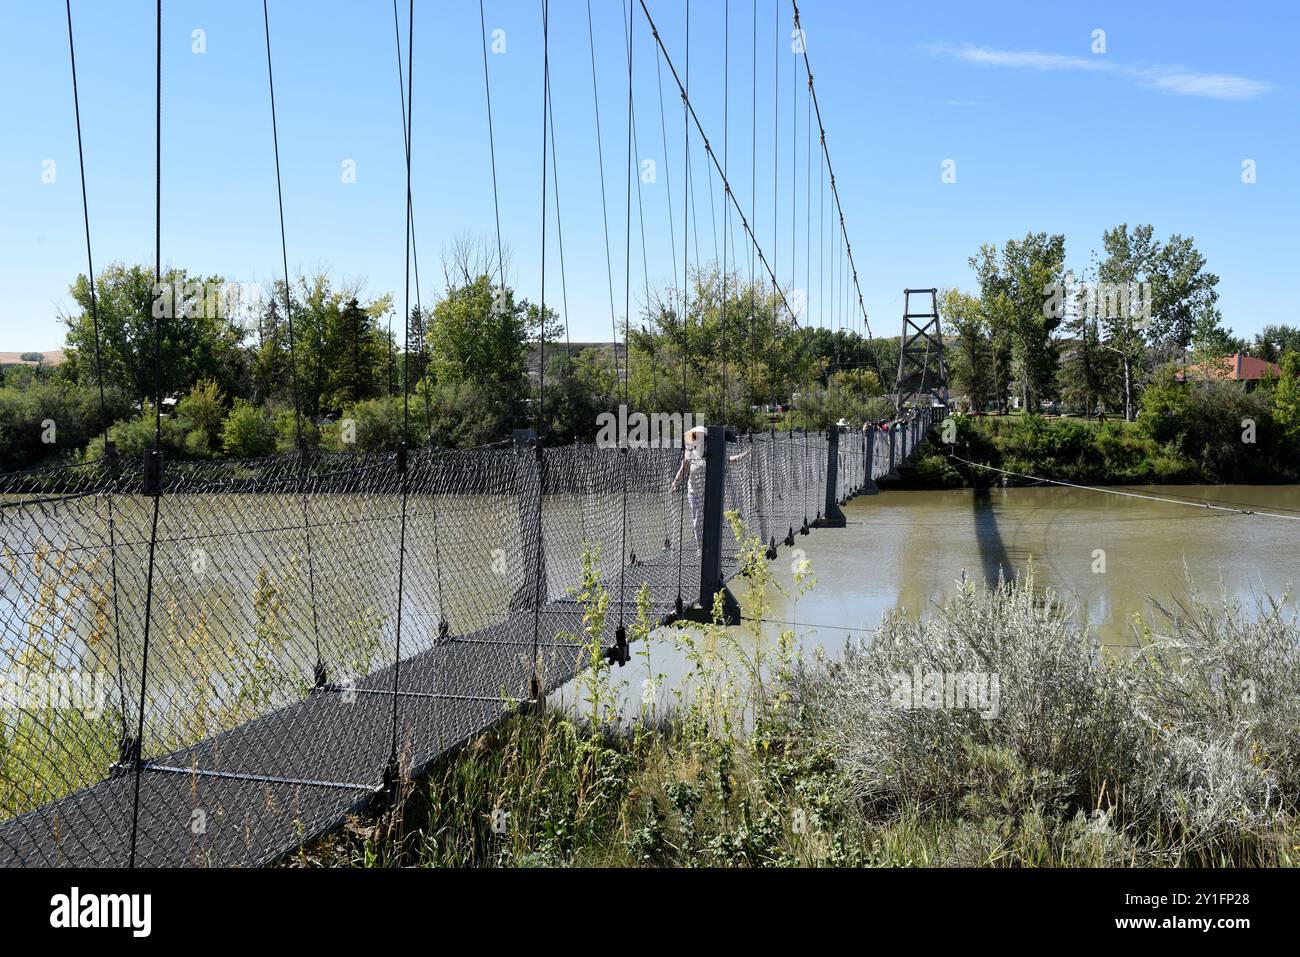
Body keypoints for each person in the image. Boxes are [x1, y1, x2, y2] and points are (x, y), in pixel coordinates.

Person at [670, 426, 749, 547]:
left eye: (701, 437)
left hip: (709, 491)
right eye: (696, 437)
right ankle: (700, 547)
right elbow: (683, 469)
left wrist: (745, 455)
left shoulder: (714, 452)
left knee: (711, 520)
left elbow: (729, 460)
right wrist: (675, 483)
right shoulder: (689, 452)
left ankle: (710, 544)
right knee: (697, 521)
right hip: (694, 491)